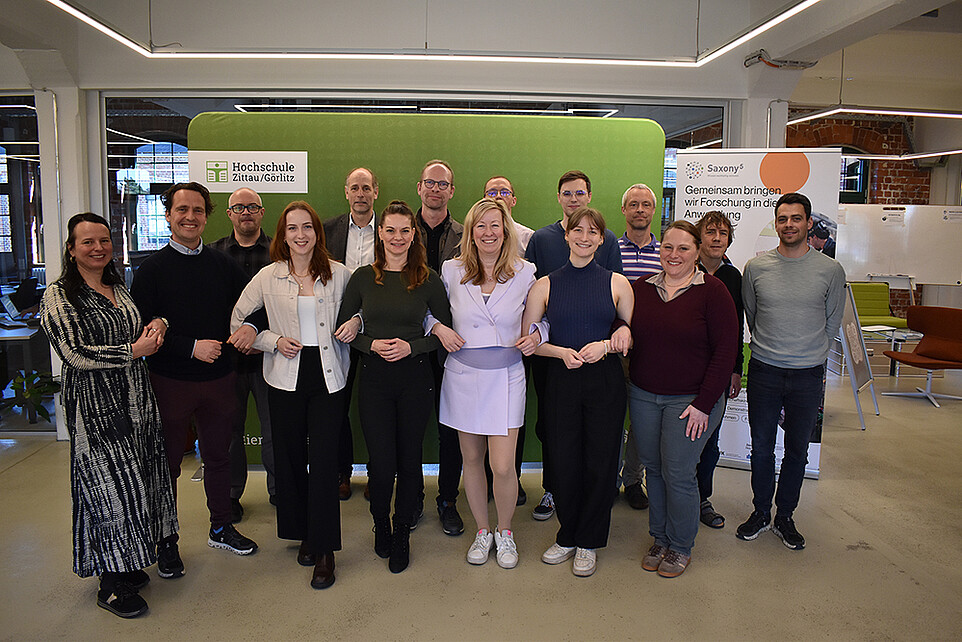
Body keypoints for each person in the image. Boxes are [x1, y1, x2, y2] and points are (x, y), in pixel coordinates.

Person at [41, 212, 178, 618]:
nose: (98, 248)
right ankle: (110, 584)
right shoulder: (59, 296)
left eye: (104, 240)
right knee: (108, 490)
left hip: (136, 400)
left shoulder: (118, 286)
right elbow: (74, 353)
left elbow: (137, 327)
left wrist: (158, 325)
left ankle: (128, 562)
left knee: (138, 483)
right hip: (96, 408)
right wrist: (133, 351)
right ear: (71, 249)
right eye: (88, 242)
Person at [131, 182, 258, 577]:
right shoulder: (151, 270)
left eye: (198, 210)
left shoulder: (223, 264)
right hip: (170, 381)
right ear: (168, 215)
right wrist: (190, 348)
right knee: (167, 464)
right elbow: (142, 328)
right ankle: (166, 540)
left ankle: (221, 527)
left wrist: (252, 328)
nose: (190, 217)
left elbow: (253, 306)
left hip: (219, 379)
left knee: (219, 458)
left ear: (207, 215)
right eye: (182, 210)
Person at [231, 201, 354, 589]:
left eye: (307, 227)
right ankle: (304, 533)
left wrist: (356, 321)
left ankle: (325, 549)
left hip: (328, 376)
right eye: (292, 228)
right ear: (283, 235)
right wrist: (271, 340)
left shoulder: (340, 274)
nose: (301, 235)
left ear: (318, 232)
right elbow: (238, 321)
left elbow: (363, 311)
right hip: (285, 375)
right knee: (289, 458)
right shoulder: (268, 276)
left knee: (324, 462)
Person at [336, 200, 452, 573]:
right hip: (374, 380)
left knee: (409, 459)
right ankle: (380, 524)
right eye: (390, 230)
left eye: (404, 230)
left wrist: (411, 347)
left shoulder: (428, 279)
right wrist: (370, 344)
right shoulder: (362, 278)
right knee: (382, 462)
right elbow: (343, 331)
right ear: (380, 234)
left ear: (413, 234)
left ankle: (402, 530)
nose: (397, 237)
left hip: (415, 379)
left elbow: (444, 334)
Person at [521, 206, 633, 577]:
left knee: (601, 460)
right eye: (578, 230)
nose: (585, 237)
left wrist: (607, 345)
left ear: (602, 239)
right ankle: (568, 534)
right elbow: (530, 342)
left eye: (593, 232)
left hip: (605, 380)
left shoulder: (618, 284)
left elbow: (627, 336)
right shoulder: (544, 285)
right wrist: (560, 353)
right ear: (566, 235)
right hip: (561, 379)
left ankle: (589, 540)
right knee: (563, 459)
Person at [429, 198, 539, 569]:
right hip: (463, 375)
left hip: (507, 375)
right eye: (481, 226)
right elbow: (428, 311)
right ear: (471, 232)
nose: (488, 233)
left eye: (495, 225)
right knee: (472, 460)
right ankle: (482, 531)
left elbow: (542, 318)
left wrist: (537, 335)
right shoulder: (451, 270)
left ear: (506, 230)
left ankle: (505, 531)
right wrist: (438, 328)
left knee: (503, 466)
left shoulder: (525, 271)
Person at [628, 220, 738, 578]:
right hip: (644, 395)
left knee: (678, 472)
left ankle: (680, 545)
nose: (673, 255)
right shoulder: (642, 287)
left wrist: (704, 404)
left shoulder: (714, 291)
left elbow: (726, 352)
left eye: (683, 248)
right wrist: (618, 331)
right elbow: (622, 325)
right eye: (668, 247)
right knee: (654, 469)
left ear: (697, 252)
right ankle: (659, 538)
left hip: (691, 400)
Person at [738, 192, 846, 550]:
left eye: (796, 218)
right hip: (765, 370)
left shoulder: (830, 270)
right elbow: (752, 315)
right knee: (761, 448)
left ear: (808, 223)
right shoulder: (756, 268)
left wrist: (811, 353)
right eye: (782, 219)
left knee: (797, 449)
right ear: (776, 223)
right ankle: (760, 512)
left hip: (807, 375)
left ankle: (785, 515)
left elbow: (832, 321)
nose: (789, 225)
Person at [524, 171, 623, 521]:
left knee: (596, 438)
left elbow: (618, 309)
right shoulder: (541, 240)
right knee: (553, 430)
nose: (574, 199)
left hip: (598, 358)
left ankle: (592, 503)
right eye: (567, 193)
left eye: (580, 193)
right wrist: (547, 344)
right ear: (558, 198)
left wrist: (610, 342)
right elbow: (532, 302)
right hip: (553, 357)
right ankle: (554, 490)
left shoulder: (608, 245)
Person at [209, 187, 275, 520]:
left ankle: (280, 491)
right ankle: (232, 494)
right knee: (230, 432)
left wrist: (257, 334)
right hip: (227, 360)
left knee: (274, 430)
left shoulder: (280, 252)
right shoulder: (212, 254)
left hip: (271, 358)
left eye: (252, 206)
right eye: (239, 207)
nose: (246, 212)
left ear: (262, 212)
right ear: (229, 214)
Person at [323, 166, 381, 500]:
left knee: (376, 408)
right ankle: (341, 472)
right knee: (336, 405)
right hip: (337, 329)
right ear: (346, 192)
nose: (360, 194)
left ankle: (377, 473)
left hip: (378, 329)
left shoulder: (389, 230)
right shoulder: (328, 230)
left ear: (376, 192)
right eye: (355, 188)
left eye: (366, 188)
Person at [415, 159, 465, 536]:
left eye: (442, 184)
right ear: (420, 188)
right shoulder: (399, 230)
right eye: (429, 183)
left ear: (451, 191)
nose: (435, 189)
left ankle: (448, 499)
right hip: (411, 344)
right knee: (412, 427)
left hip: (452, 346)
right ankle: (412, 497)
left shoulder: (467, 235)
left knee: (451, 430)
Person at [481, 175, 534, 506]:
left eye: (504, 191)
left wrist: (536, 333)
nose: (498, 196)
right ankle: (487, 484)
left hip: (513, 350)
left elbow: (537, 299)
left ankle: (511, 479)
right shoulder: (461, 259)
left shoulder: (530, 240)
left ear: (513, 199)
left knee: (512, 426)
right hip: (472, 359)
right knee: (475, 437)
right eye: (492, 192)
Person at [694, 211, 745, 529]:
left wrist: (736, 369)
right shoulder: (684, 268)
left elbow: (736, 327)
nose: (716, 238)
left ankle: (702, 499)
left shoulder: (733, 277)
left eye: (722, 233)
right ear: (699, 237)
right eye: (710, 232)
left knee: (710, 442)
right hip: (684, 369)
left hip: (718, 372)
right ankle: (676, 497)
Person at [617, 183, 663, 511]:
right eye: (633, 204)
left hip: (650, 349)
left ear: (653, 210)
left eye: (646, 204)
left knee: (642, 424)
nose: (640, 210)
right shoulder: (609, 249)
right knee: (610, 417)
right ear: (624, 210)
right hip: (613, 347)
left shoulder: (665, 253)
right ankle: (608, 479)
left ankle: (633, 479)